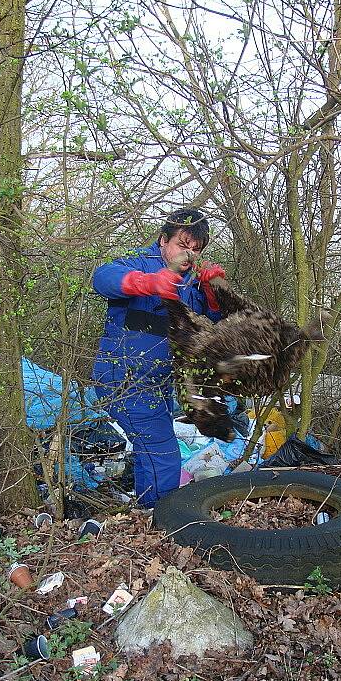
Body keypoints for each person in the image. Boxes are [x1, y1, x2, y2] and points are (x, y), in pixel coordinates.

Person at [91, 209, 225, 508]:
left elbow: (213, 317)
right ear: (164, 239)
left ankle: (145, 512)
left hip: (157, 382)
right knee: (161, 451)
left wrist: (214, 294)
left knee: (151, 447)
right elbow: (101, 278)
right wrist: (147, 283)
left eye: (195, 249)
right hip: (124, 379)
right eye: (182, 244)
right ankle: (160, 519)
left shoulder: (190, 281)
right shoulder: (140, 262)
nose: (188, 254)